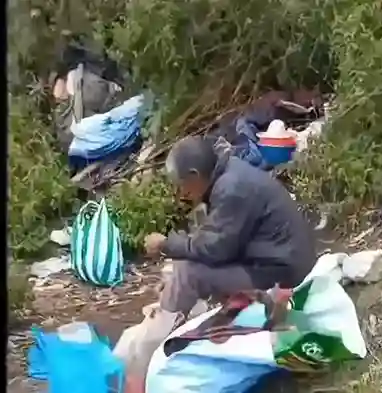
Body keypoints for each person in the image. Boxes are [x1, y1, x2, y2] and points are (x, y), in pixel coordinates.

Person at [114, 135, 316, 386]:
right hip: (271, 257)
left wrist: (166, 244)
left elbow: (215, 249)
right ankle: (171, 312)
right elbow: (216, 239)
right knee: (181, 264)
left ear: (195, 174)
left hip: (280, 272)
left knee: (189, 271)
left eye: (182, 185)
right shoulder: (228, 175)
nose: (182, 193)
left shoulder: (232, 188)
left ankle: (153, 341)